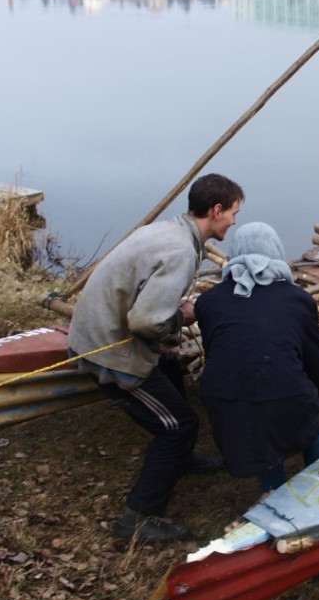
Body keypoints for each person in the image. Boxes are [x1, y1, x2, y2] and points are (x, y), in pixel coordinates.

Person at [67, 173, 244, 543]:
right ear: (215, 210)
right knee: (179, 426)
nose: (234, 221)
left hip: (98, 329)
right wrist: (180, 317)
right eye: (233, 213)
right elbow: (146, 321)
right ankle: (139, 517)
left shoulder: (167, 231)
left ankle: (180, 460)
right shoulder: (181, 251)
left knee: (170, 368)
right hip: (109, 350)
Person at [195, 222, 319, 494]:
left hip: (224, 400)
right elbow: (315, 356)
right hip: (284, 395)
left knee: (260, 437)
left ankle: (273, 494)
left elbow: (220, 351)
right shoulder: (298, 299)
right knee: (308, 419)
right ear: (276, 251)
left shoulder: (208, 302)